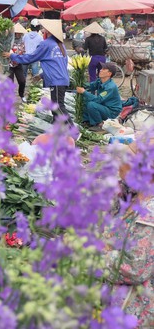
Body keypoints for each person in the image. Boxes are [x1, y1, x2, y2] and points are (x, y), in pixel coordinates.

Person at [104, 141, 153, 327]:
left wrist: (93, 255)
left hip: (133, 310)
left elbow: (133, 268)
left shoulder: (149, 214)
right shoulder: (137, 193)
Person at [4, 19, 71, 125]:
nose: (43, 30)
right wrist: (41, 75)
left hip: (56, 81)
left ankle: (73, 132)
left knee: (58, 107)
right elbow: (58, 65)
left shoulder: (46, 44)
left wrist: (12, 56)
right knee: (55, 108)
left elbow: (30, 58)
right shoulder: (61, 45)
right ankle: (57, 133)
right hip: (62, 79)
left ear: (48, 31)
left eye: (44, 28)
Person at [76, 61, 122, 130]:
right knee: (85, 99)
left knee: (92, 104)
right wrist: (79, 81)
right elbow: (90, 86)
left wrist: (84, 92)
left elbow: (98, 100)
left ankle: (99, 124)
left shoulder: (110, 87)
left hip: (111, 111)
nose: (100, 70)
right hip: (104, 107)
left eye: (103, 69)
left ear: (109, 74)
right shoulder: (100, 81)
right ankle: (87, 121)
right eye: (101, 68)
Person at [8, 24, 27, 102]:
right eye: (17, 33)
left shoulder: (22, 41)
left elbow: (24, 50)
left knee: (22, 81)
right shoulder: (9, 41)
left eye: (20, 33)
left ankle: (21, 95)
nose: (18, 34)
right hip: (9, 64)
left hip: (18, 64)